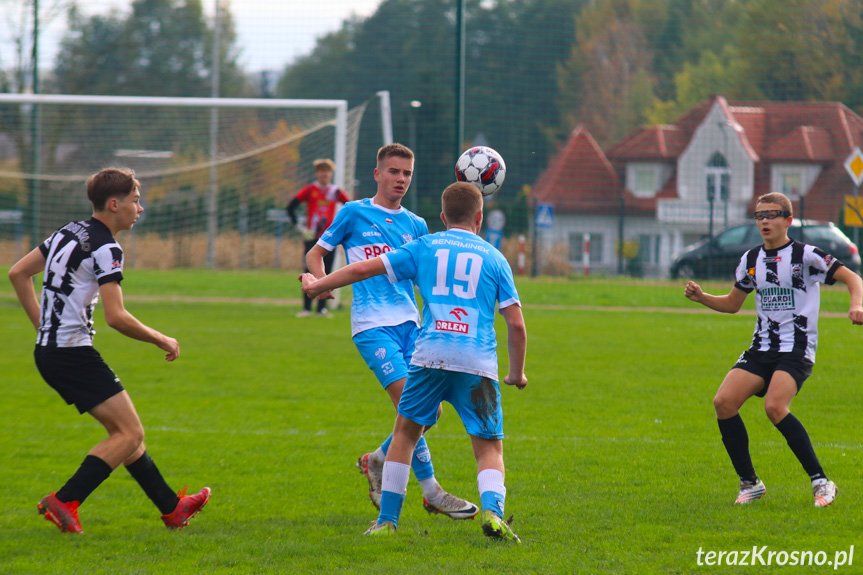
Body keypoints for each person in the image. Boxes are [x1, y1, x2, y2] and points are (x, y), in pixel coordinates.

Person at [302, 181, 527, 541]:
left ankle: (387, 522)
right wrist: (517, 373)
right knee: (487, 447)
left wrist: (318, 285)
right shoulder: (495, 258)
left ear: (441, 216)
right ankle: (494, 515)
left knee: (405, 433)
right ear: (480, 218)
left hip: (430, 356)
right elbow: (516, 324)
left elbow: (361, 270)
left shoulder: (424, 245)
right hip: (477, 362)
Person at [8, 167, 211, 534]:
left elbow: (18, 273)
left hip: (51, 352)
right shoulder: (106, 247)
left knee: (125, 434)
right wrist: (161, 338)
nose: (140, 208)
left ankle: (172, 508)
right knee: (130, 433)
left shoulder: (69, 230)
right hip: (72, 354)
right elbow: (116, 317)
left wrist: (44, 327)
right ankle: (65, 500)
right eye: (136, 200)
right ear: (114, 204)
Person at [305, 144, 478, 520]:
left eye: (407, 174)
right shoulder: (353, 212)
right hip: (372, 326)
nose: (401, 179)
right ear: (377, 174)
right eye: (394, 172)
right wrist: (322, 283)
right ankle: (432, 491)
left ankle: (378, 459)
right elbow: (316, 253)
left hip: (412, 326)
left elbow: (424, 279)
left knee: (429, 413)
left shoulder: (416, 225)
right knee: (410, 406)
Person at [684, 192, 863, 507]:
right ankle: (750, 483)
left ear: (788, 220)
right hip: (761, 348)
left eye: (772, 214)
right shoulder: (750, 260)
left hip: (796, 348)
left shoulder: (807, 255)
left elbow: (853, 278)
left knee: (774, 406)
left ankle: (822, 483)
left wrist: (857, 305)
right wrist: (702, 297)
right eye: (759, 215)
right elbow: (732, 304)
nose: (765, 220)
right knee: (723, 402)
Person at [287, 158, 351, 317]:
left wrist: (343, 228)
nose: (324, 174)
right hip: (312, 237)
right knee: (308, 271)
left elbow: (350, 208)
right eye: (321, 171)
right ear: (317, 173)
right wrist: (300, 228)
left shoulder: (336, 192)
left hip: (330, 238)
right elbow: (290, 207)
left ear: (331, 173)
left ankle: (322, 308)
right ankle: (306, 308)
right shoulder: (310, 190)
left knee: (327, 273)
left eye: (327, 171)